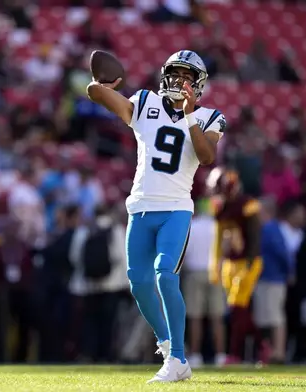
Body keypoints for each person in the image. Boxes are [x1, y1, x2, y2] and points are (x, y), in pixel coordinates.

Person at [86, 50, 225, 382]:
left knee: (165, 274)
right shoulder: (145, 102)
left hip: (176, 208)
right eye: (174, 74)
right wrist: (101, 85)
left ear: (198, 84)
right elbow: (96, 94)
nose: (179, 81)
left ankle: (177, 357)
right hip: (140, 207)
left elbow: (206, 157)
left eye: (186, 76)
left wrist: (189, 115)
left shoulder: (209, 116)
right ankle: (168, 347)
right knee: (139, 283)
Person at [206, 167, 263, 365]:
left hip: (248, 261)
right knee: (238, 310)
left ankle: (235, 354)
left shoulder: (248, 204)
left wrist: (249, 262)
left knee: (237, 308)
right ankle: (262, 346)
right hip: (230, 263)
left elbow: (255, 237)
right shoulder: (220, 207)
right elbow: (218, 238)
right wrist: (215, 265)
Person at [256, 199, 305, 364]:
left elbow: (283, 254)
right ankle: (271, 352)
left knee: (275, 317)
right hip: (269, 278)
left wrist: (289, 272)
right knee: (268, 317)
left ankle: (278, 353)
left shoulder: (270, 228)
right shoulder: (271, 228)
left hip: (273, 279)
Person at [182, 199, 226, 368]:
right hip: (216, 272)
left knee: (195, 317)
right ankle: (220, 355)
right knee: (217, 316)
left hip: (194, 273)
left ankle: (195, 355)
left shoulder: (191, 226)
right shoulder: (219, 225)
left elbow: (185, 252)